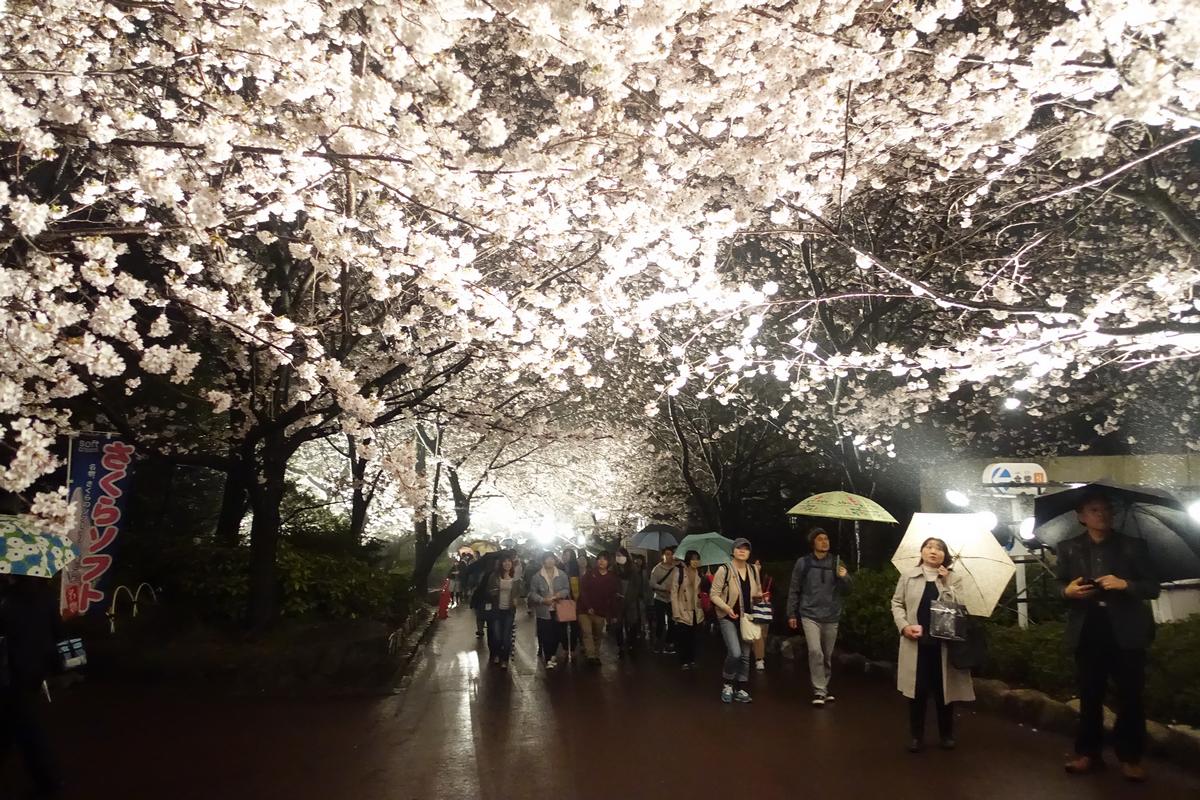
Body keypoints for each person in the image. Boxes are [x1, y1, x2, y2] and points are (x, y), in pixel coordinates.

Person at [1057, 492, 1160, 782]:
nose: (1102, 514)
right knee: (1090, 694)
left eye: (1106, 510)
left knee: (1130, 695)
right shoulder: (1069, 548)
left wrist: (1124, 583)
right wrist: (1068, 592)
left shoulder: (1133, 546)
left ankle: (1130, 756)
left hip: (1126, 630)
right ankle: (1088, 753)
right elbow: (1058, 585)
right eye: (1094, 510)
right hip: (1088, 628)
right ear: (1081, 516)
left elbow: (1153, 587)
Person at [890, 537, 974, 753]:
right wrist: (904, 626)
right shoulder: (908, 575)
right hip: (916, 642)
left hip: (943, 644)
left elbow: (958, 607)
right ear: (922, 551)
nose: (933, 551)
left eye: (939, 548)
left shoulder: (953, 578)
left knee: (943, 690)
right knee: (917, 691)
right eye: (929, 547)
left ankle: (946, 735)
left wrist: (945, 584)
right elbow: (897, 603)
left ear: (945, 555)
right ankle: (916, 736)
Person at [0, 575, 62, 799]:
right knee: (10, 722)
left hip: (11, 673)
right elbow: (57, 632)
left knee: (28, 730)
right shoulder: (46, 596)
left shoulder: (6, 600)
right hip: (36, 670)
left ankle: (49, 782)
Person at [787, 527, 853, 705]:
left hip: (831, 615)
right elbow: (794, 588)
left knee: (827, 654)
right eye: (820, 539)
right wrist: (791, 613)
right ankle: (819, 690)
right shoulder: (803, 563)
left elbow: (848, 590)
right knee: (815, 651)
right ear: (813, 543)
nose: (825, 542)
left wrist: (845, 577)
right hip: (809, 614)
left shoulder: (837, 562)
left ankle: (823, 687)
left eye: (827, 539)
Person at [710, 537, 763, 703]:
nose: (742, 550)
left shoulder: (754, 570)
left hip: (747, 617)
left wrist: (760, 597)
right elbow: (714, 595)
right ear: (733, 551)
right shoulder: (724, 570)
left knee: (746, 656)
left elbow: (757, 591)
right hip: (728, 616)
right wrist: (726, 608)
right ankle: (727, 683)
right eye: (739, 547)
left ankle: (741, 688)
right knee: (735, 652)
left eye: (746, 548)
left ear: (749, 552)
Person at [527, 552, 570, 669]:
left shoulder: (562, 575)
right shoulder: (537, 577)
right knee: (546, 635)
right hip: (544, 610)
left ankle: (552, 655)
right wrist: (542, 600)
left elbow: (567, 589)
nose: (550, 561)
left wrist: (560, 594)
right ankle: (548, 658)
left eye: (552, 559)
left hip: (558, 609)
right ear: (543, 561)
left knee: (557, 634)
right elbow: (532, 593)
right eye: (547, 559)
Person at [578, 551, 620, 665]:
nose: (601, 561)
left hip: (601, 610)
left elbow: (612, 596)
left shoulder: (612, 578)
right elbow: (583, 591)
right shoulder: (589, 574)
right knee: (587, 633)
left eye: (604, 559)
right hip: (584, 609)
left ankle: (596, 654)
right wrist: (588, 606)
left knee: (598, 634)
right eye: (599, 559)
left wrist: (614, 614)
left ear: (608, 562)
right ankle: (591, 656)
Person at [484, 553, 523, 669]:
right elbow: (488, 591)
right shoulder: (494, 576)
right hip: (496, 609)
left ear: (512, 563)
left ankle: (504, 659)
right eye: (504, 561)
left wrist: (516, 599)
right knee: (497, 635)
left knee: (506, 636)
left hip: (509, 610)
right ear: (501, 563)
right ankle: (496, 653)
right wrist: (494, 592)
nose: (507, 564)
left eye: (509, 561)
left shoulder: (515, 578)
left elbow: (520, 592)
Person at [670, 549, 704, 670]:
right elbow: (674, 593)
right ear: (688, 559)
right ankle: (683, 660)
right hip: (683, 609)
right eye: (694, 558)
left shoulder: (700, 573)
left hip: (696, 609)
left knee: (694, 637)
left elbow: (702, 591)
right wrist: (676, 612)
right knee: (683, 636)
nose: (696, 561)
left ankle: (692, 659)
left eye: (698, 558)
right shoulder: (679, 572)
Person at [614, 547, 645, 657]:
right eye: (617, 555)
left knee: (631, 624)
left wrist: (631, 597)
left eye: (621, 555)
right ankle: (620, 646)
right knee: (618, 625)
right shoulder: (613, 570)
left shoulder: (633, 570)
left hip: (631, 601)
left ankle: (631, 644)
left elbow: (637, 586)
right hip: (617, 602)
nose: (619, 558)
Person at [649, 546, 677, 654]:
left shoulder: (676, 568)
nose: (670, 556)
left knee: (672, 621)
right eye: (667, 554)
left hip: (671, 599)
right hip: (660, 599)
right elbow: (652, 583)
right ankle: (657, 642)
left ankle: (669, 643)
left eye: (671, 554)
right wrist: (664, 588)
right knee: (660, 621)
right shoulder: (657, 569)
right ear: (663, 556)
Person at [752, 558, 774, 671]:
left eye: (759, 563)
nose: (757, 565)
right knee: (758, 635)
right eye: (756, 563)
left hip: (766, 611)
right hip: (755, 611)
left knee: (764, 635)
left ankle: (759, 655)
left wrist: (767, 597)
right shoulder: (751, 576)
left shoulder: (768, 577)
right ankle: (759, 659)